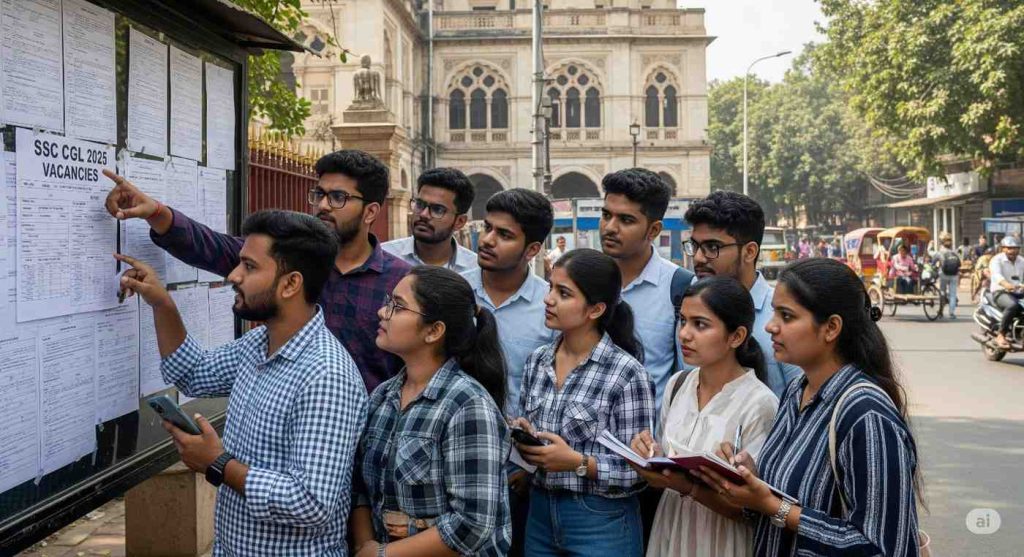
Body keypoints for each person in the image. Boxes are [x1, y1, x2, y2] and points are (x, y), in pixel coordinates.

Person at [116, 210, 368, 556]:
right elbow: (193, 373)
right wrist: (162, 303)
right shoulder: (259, 343)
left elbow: (310, 503)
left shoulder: (325, 376)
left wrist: (218, 463)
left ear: (291, 284)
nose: (233, 275)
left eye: (249, 267)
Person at [103, 150, 411, 392]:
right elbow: (212, 247)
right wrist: (156, 212)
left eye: (338, 197)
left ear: (371, 211)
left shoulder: (401, 282)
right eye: (319, 194)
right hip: (284, 428)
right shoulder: (288, 258)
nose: (323, 206)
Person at [696, 258, 922, 557]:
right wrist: (751, 480)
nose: (770, 326)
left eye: (787, 316)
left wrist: (775, 506)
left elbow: (880, 546)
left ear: (831, 328)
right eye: (775, 312)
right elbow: (782, 497)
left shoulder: (865, 414)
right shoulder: (795, 393)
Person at [350, 266, 510, 557]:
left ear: (434, 331)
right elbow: (360, 487)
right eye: (389, 302)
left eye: (397, 307)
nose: (382, 313)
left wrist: (383, 554)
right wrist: (365, 545)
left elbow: (472, 524)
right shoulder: (383, 396)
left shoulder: (467, 405)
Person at [513, 249, 655, 557]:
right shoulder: (537, 361)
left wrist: (579, 463)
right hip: (540, 511)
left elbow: (641, 470)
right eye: (550, 287)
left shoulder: (626, 373)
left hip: (600, 519)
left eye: (563, 293)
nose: (548, 299)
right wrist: (526, 439)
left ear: (595, 309)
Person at [630, 277, 778, 557]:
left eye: (700, 324)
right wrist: (651, 455)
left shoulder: (760, 403)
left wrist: (686, 485)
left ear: (736, 336)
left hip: (722, 540)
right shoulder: (677, 385)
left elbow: (753, 508)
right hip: (671, 530)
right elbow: (665, 462)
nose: (684, 334)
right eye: (683, 321)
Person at [459, 188, 556, 557]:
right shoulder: (454, 292)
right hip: (453, 464)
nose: (487, 240)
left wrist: (527, 468)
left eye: (504, 234)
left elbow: (552, 394)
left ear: (532, 250)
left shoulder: (548, 307)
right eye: (487, 228)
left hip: (518, 476)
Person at [684, 191, 802, 398]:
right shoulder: (686, 305)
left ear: (749, 252)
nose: (699, 258)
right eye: (694, 246)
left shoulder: (784, 319)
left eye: (713, 247)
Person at [599, 168, 693, 413]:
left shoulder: (680, 287)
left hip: (647, 445)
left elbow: (691, 380)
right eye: (606, 215)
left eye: (626, 220)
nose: (610, 227)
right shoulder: (580, 280)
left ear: (653, 230)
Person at [382, 167, 478, 272]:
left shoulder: (476, 270)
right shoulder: (384, 257)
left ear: (460, 222)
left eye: (438, 210)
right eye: (420, 204)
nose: (424, 214)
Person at [989, 236, 1024, 349]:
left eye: (1015, 248)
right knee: (1013, 306)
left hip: (1018, 291)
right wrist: (1007, 285)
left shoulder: (1021, 261)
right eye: (1009, 248)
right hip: (1000, 292)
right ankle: (1001, 334)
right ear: (1003, 249)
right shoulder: (996, 260)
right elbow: (997, 276)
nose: (1012, 251)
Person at [936, 231, 961, 319]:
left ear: (941, 242)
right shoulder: (954, 252)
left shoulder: (940, 252)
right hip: (954, 275)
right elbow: (959, 263)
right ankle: (951, 313)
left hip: (943, 274)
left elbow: (933, 261)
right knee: (953, 294)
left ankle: (941, 311)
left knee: (942, 292)